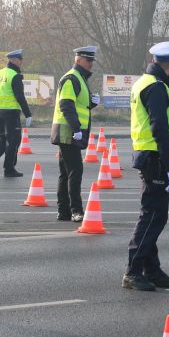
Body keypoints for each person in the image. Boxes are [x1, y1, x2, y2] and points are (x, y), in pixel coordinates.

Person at [122, 42, 169, 291]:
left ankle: (152, 269)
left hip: (149, 156)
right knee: (153, 217)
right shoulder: (157, 87)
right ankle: (133, 271)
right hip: (156, 158)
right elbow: (159, 127)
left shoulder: (144, 82)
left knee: (154, 215)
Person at [51, 46, 100, 222]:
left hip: (69, 131)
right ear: (78, 60)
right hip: (68, 132)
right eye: (88, 60)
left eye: (92, 60)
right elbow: (66, 105)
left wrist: (92, 103)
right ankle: (76, 211)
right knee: (75, 171)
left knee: (66, 173)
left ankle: (64, 211)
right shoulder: (71, 78)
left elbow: (78, 105)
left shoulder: (79, 78)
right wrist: (76, 128)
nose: (91, 64)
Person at [0, 49, 32, 177]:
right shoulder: (14, 75)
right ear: (13, 60)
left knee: (3, 138)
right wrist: (28, 114)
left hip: (0, 112)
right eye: (20, 59)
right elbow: (20, 96)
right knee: (13, 141)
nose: (22, 61)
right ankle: (9, 169)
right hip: (11, 113)